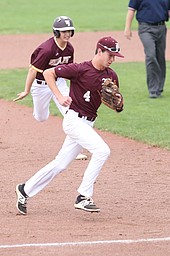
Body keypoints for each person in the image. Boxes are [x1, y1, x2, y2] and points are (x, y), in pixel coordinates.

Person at [15, 36, 124, 215]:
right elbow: (49, 73)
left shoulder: (111, 75)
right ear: (99, 51)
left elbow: (116, 103)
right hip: (74, 121)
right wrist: (59, 96)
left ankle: (25, 189)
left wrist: (119, 104)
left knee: (60, 164)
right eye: (110, 55)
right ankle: (83, 196)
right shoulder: (80, 69)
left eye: (114, 56)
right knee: (102, 151)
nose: (112, 59)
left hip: (88, 124)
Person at [13, 16, 87, 160]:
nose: (67, 34)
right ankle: (38, 111)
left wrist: (76, 88)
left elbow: (68, 70)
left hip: (58, 83)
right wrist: (26, 90)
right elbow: (33, 71)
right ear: (56, 32)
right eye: (63, 31)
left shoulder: (69, 48)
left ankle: (74, 150)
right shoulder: (47, 49)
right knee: (41, 117)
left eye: (69, 31)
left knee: (71, 112)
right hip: (41, 86)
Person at [124, 0, 170, 98]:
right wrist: (127, 28)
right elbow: (131, 10)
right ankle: (153, 90)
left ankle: (159, 87)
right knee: (150, 55)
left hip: (161, 27)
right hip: (145, 28)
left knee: (160, 57)